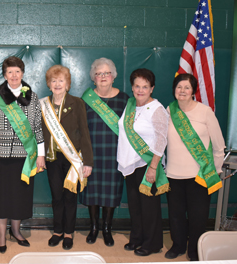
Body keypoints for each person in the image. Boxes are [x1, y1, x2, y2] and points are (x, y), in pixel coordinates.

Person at [0, 56, 46, 253]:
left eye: (17, 71)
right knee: (2, 197)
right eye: (9, 72)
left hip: (26, 156)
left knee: (20, 196)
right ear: (4, 75)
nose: (13, 75)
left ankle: (16, 231)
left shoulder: (33, 97)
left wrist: (41, 155)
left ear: (22, 73)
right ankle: (2, 233)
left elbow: (37, 128)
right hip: (1, 157)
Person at [164, 74, 225, 261]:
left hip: (199, 176)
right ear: (174, 89)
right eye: (179, 87)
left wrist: (213, 171)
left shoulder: (205, 112)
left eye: (187, 87)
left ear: (193, 91)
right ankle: (178, 245)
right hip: (173, 175)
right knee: (175, 216)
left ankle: (195, 251)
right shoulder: (169, 110)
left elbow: (218, 146)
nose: (182, 91)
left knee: (198, 218)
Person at [117, 68, 169, 257]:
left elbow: (162, 140)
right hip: (130, 164)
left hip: (147, 164)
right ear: (132, 87)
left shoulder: (157, 109)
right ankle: (137, 238)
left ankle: (152, 243)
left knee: (149, 207)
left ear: (152, 88)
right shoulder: (131, 104)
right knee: (135, 206)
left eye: (145, 86)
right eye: (137, 86)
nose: (140, 90)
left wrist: (154, 166)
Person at [41, 65, 93, 250]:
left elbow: (85, 133)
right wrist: (40, 157)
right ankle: (57, 231)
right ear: (48, 84)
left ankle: (69, 232)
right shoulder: (43, 104)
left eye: (61, 80)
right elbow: (39, 135)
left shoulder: (77, 103)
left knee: (70, 197)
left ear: (68, 84)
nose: (57, 84)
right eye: (53, 81)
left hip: (72, 159)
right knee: (56, 196)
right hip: (52, 158)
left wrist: (88, 161)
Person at [80, 58, 129, 246]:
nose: (103, 76)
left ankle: (107, 229)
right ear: (93, 78)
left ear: (113, 76)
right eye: (99, 73)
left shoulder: (125, 99)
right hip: (91, 154)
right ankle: (93, 228)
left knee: (111, 192)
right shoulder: (85, 99)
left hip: (115, 155)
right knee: (92, 192)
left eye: (106, 73)